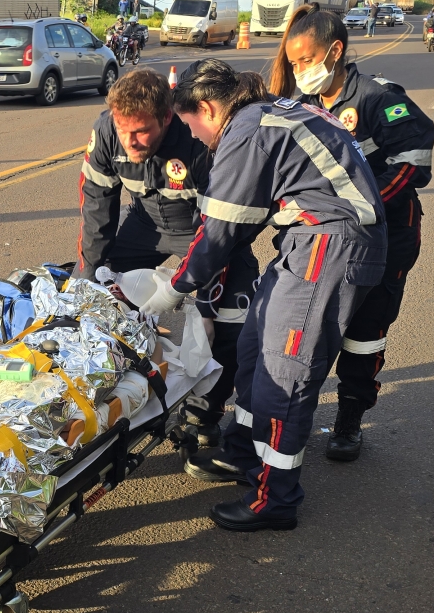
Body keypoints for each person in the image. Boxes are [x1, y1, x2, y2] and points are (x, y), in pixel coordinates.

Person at [141, 60, 386, 531]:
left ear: (208, 108)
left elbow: (219, 231)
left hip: (328, 245)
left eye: (191, 123)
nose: (192, 136)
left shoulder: (247, 129)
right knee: (254, 350)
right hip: (310, 242)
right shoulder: (267, 113)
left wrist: (175, 287)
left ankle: (274, 499)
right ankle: (243, 455)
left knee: (284, 372)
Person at [271, 3, 434, 460]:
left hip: (385, 240)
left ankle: (349, 421)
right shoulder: (303, 106)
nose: (300, 70)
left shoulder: (377, 98)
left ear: (335, 51)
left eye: (306, 60)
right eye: (294, 63)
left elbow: (414, 158)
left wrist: (363, 208)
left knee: (364, 334)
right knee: (308, 330)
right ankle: (293, 415)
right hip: (325, 242)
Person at [76, 67, 259, 442]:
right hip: (144, 225)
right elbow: (97, 207)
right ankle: (105, 392)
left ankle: (203, 415)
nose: (131, 141)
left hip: (200, 229)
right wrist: (90, 272)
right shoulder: (109, 132)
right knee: (101, 296)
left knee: (228, 317)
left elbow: (219, 233)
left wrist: (206, 305)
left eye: (142, 131)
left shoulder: (199, 142)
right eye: (124, 129)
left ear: (167, 117)